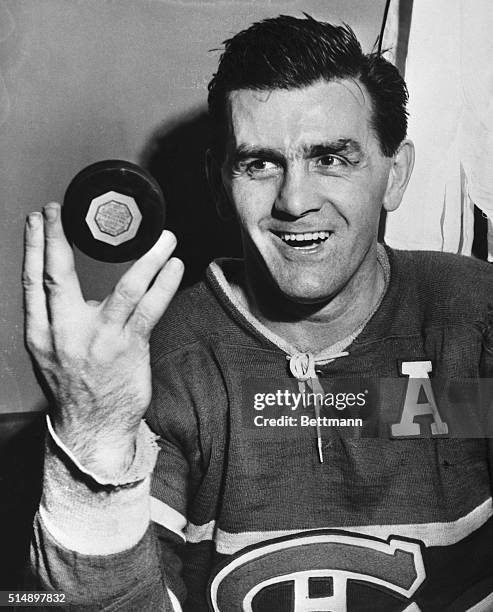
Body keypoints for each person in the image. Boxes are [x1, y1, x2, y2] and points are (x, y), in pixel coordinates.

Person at [23, 14, 493, 612]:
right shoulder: (163, 366)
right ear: (221, 186)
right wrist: (94, 433)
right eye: (260, 164)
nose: (295, 201)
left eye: (332, 158)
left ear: (394, 176)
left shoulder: (475, 323)